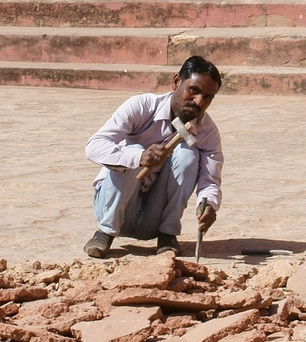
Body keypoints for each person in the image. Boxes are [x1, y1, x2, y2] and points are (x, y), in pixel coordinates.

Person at [82, 55, 224, 258]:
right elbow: (94, 146)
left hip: (153, 220)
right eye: (194, 91)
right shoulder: (141, 106)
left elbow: (210, 180)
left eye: (208, 97)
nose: (199, 102)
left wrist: (208, 203)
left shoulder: (207, 131)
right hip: (113, 207)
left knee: (187, 155)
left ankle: (167, 235)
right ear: (176, 82)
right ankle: (105, 231)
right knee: (131, 150)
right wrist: (138, 157)